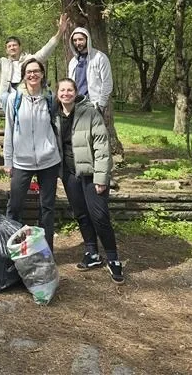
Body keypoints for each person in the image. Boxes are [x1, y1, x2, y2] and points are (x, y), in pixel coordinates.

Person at [54, 78, 124, 284]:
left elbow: (102, 149)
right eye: (62, 90)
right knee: (81, 214)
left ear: (76, 93)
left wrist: (102, 178)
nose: (65, 93)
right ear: (57, 94)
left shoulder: (90, 113)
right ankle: (92, 253)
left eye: (69, 90)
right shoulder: (54, 116)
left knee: (99, 216)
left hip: (92, 173)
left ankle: (113, 259)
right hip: (69, 173)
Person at [3, 58, 62, 252]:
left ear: (42, 74)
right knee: (15, 206)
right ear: (23, 75)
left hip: (48, 160)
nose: (33, 74)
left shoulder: (50, 98)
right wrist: (8, 160)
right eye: (29, 71)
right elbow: (9, 130)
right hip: (22, 161)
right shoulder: (15, 99)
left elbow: (57, 127)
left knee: (47, 208)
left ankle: (46, 251)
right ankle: (13, 250)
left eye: (36, 71)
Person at [0, 14, 68, 108]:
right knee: (5, 97)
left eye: (15, 45)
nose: (12, 48)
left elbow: (46, 50)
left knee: (49, 96)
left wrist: (59, 32)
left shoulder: (30, 60)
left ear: (20, 47)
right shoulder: (2, 63)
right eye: (9, 46)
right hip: (9, 101)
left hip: (28, 97)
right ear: (6, 50)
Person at [68, 26, 113, 112]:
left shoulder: (100, 57)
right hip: (75, 105)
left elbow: (107, 82)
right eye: (75, 40)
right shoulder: (73, 62)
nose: (77, 43)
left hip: (94, 106)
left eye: (80, 39)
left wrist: (101, 105)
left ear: (87, 39)